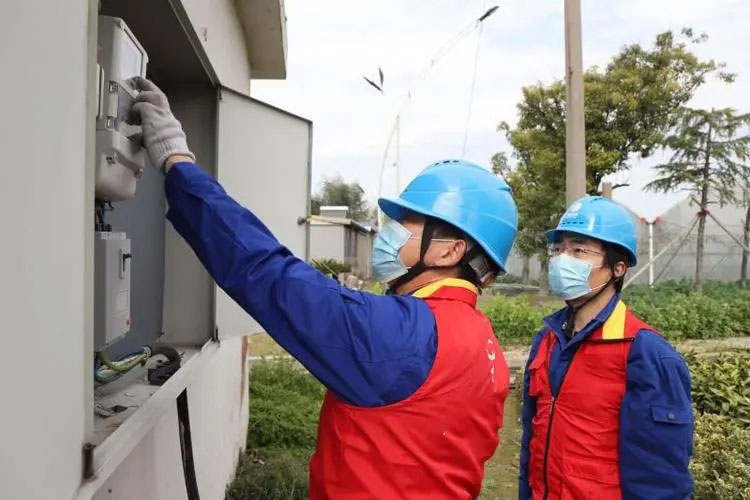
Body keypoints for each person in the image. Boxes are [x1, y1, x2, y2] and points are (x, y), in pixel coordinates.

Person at [129, 77, 519, 498]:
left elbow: (266, 272)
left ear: (449, 251)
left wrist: (177, 161)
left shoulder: (400, 334)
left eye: (405, 223)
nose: (388, 233)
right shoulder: (486, 345)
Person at [518, 196, 694, 500]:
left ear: (617, 268)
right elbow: (531, 448)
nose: (562, 260)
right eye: (558, 250)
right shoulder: (547, 340)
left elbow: (660, 480)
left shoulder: (645, 353)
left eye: (579, 250)